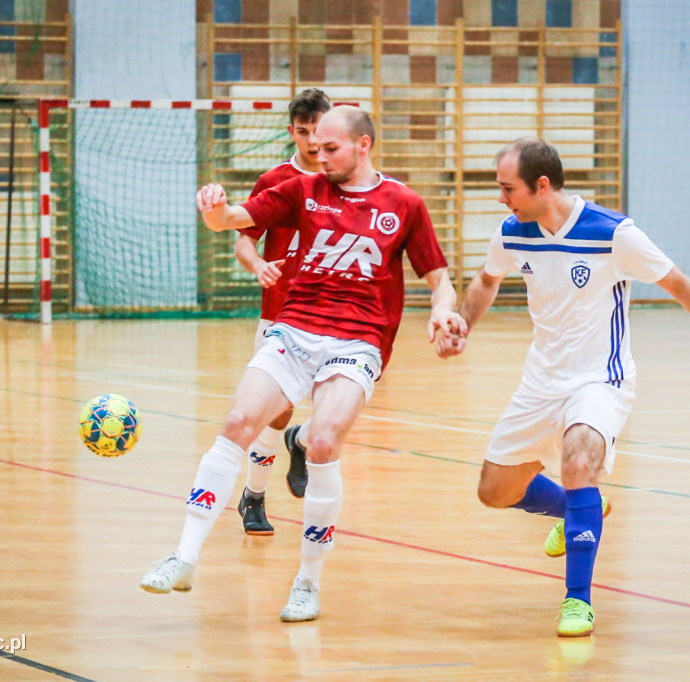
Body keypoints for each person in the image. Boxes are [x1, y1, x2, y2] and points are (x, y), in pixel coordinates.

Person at [141, 105, 465, 622]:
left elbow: (439, 278)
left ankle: (308, 583)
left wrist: (444, 313)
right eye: (314, 146)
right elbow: (229, 222)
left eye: (330, 148)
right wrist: (212, 206)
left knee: (321, 442)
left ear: (363, 145)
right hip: (293, 329)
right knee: (236, 424)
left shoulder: (403, 203)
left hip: (357, 341)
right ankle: (184, 557)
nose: (319, 156)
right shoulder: (305, 190)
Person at [438, 138, 690, 637]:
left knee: (578, 461)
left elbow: (680, 285)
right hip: (540, 378)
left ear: (541, 185)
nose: (501, 199)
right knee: (494, 491)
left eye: (508, 188)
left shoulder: (613, 234)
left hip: (600, 377)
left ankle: (577, 600)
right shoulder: (513, 231)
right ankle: (581, 506)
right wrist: (462, 323)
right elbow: (486, 281)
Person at [233, 87, 332, 536]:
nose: (312, 141)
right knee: (275, 411)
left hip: (334, 316)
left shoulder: (347, 182)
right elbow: (244, 237)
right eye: (303, 132)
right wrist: (257, 265)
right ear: (291, 131)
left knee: (338, 409)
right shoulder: (274, 179)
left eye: (319, 131)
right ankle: (253, 495)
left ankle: (303, 440)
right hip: (281, 316)